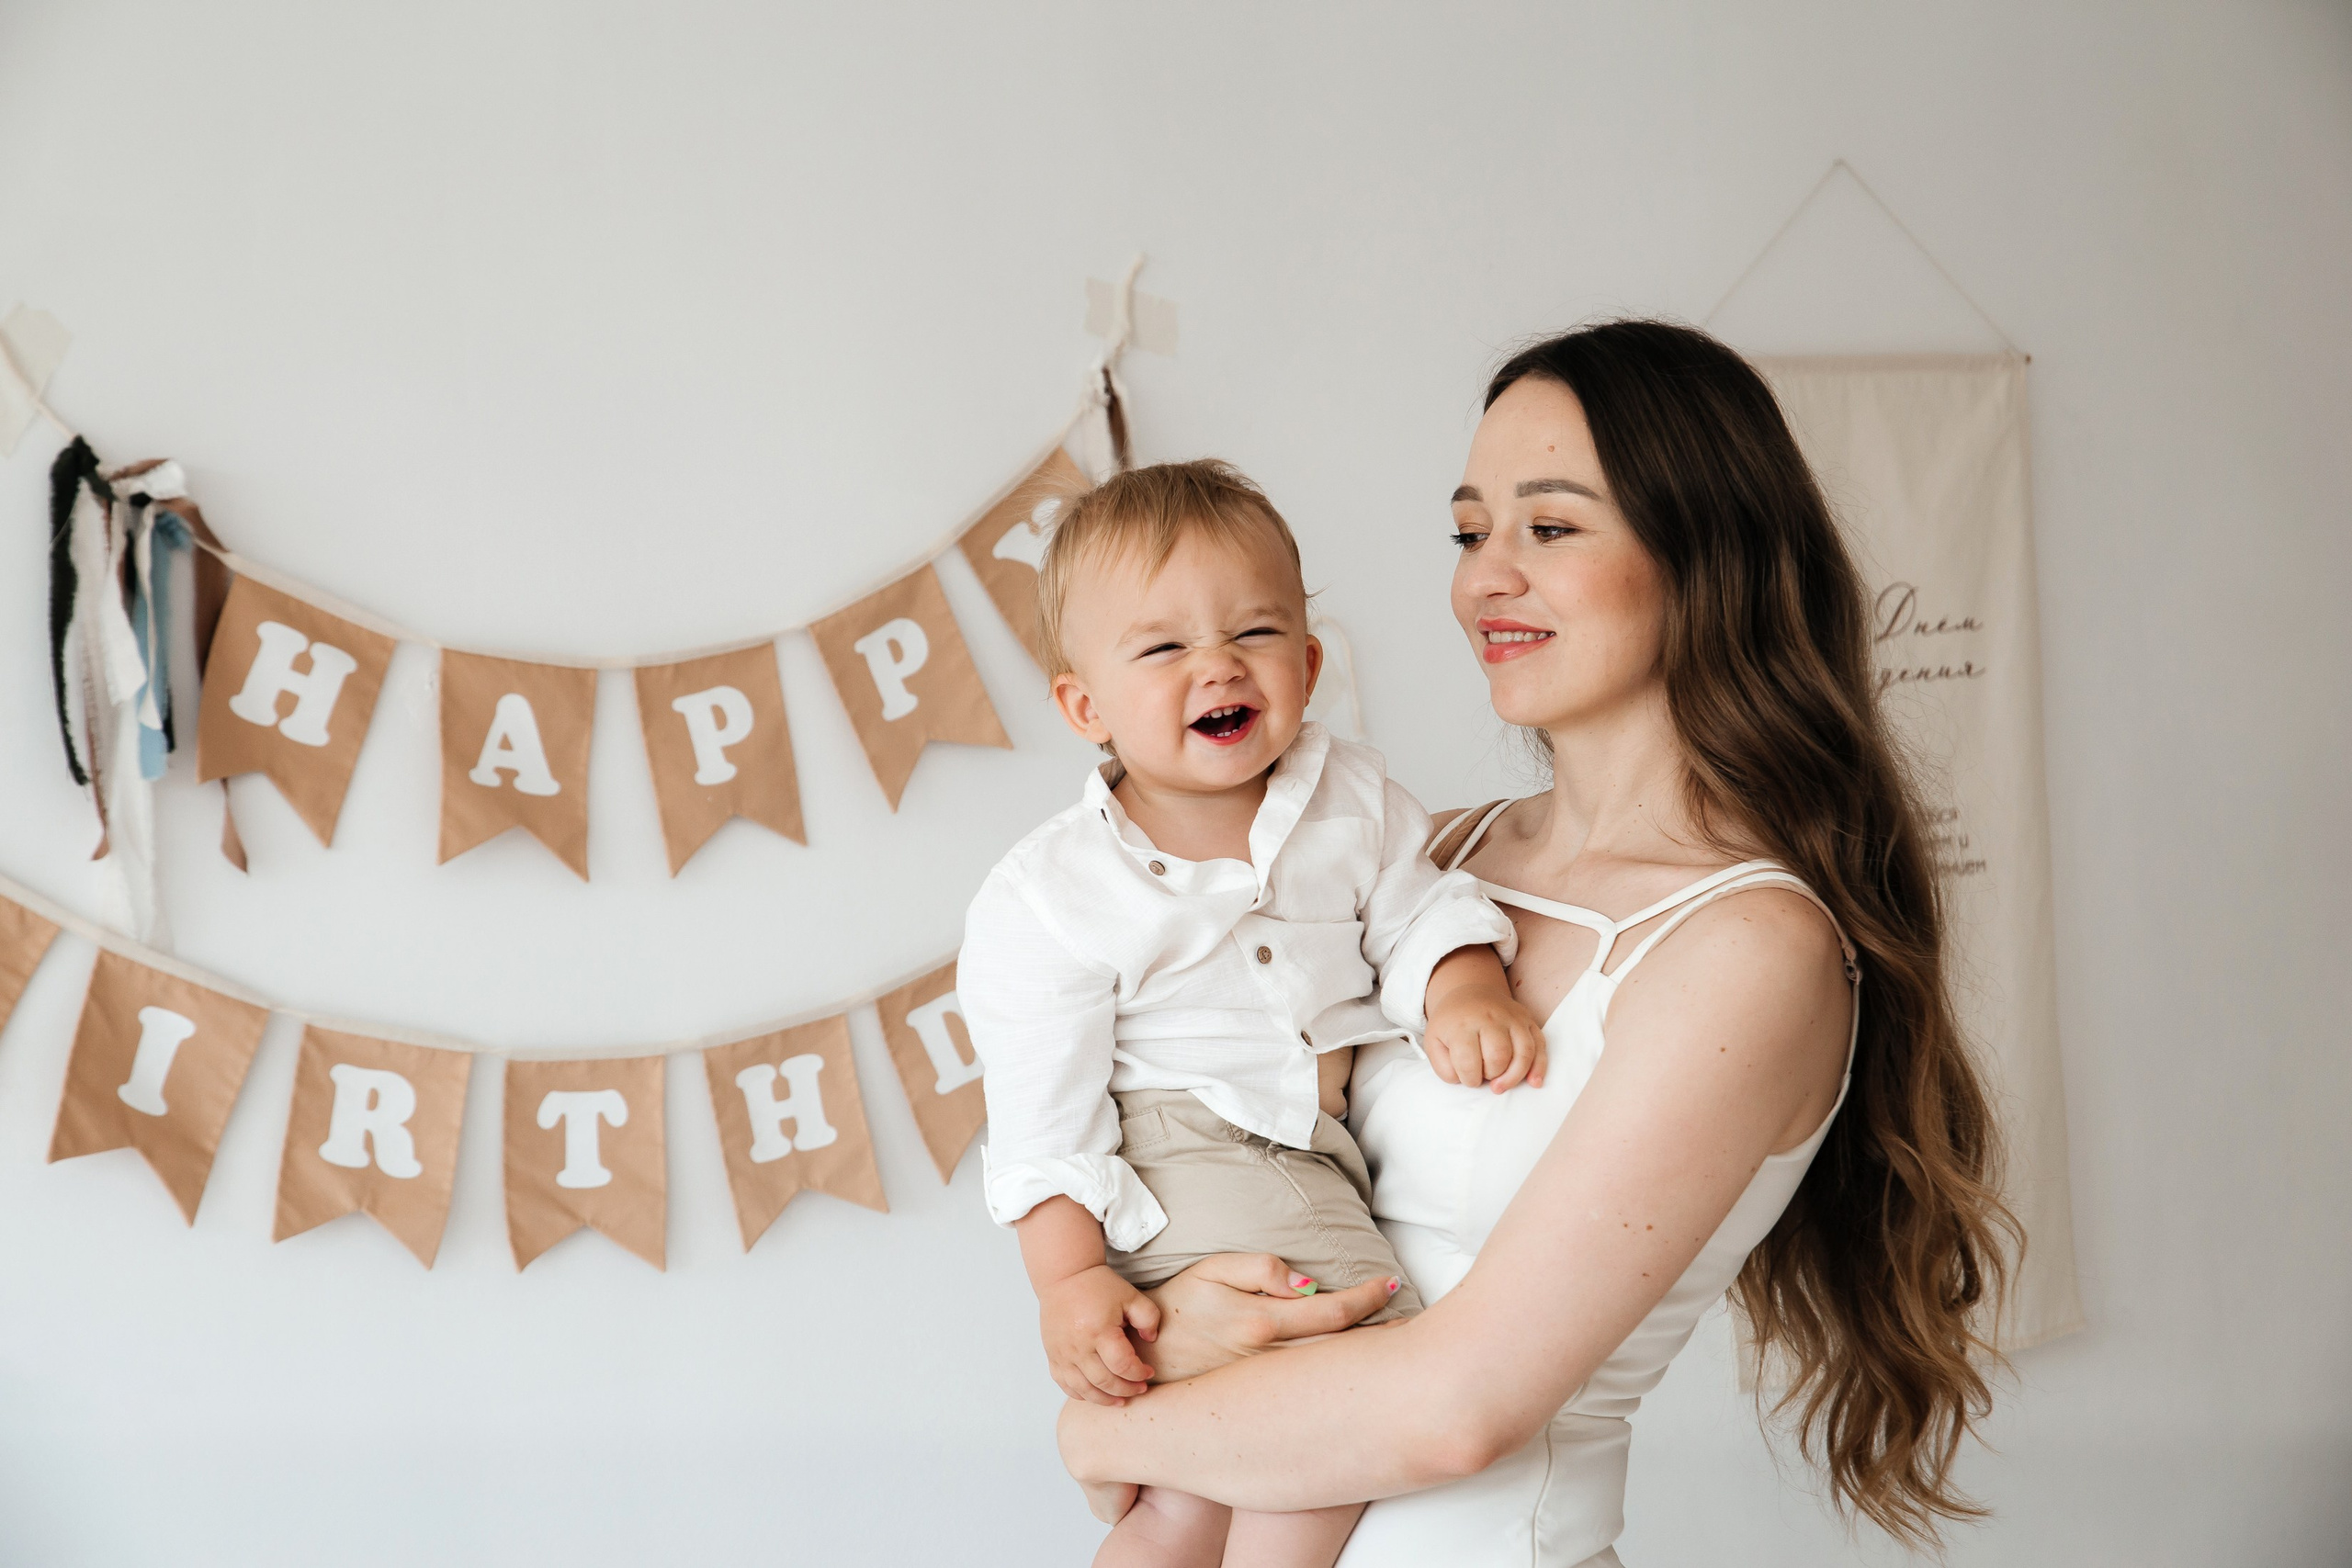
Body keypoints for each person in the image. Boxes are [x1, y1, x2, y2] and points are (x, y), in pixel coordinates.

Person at [1056, 321, 2018, 1565]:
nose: (1484, 578)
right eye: (1470, 531)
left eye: (1549, 529)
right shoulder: (1421, 860)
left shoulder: (1749, 948)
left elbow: (1460, 1407)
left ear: (1706, 553)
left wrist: (1102, 1430)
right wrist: (1156, 1322)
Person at [958, 459, 1551, 1567]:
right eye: (1162, 647)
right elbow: (1041, 1113)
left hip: (1301, 1158)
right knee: (1345, 1401)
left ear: (1309, 663)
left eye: (1256, 633)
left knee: (1189, 1497)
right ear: (1084, 704)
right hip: (1187, 1157)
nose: (1218, 665)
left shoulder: (1352, 799)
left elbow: (1419, 907)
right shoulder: (1055, 891)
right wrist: (1070, 1280)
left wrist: (1462, 980)